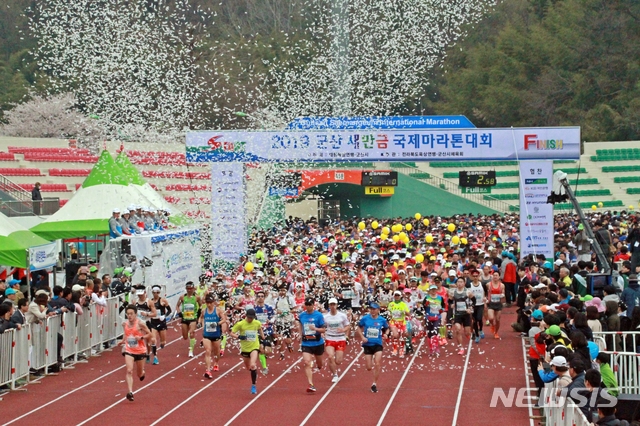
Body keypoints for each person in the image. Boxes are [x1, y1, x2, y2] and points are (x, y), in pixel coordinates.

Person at [121, 304, 152, 402]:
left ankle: (142, 373)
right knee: (129, 370)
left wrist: (141, 337)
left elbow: (149, 334)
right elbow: (126, 335)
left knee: (139, 374)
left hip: (140, 351)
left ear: (135, 314)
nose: (129, 316)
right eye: (128, 314)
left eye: (131, 314)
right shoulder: (124, 324)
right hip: (129, 350)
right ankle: (130, 392)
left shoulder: (140, 324)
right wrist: (122, 341)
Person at [230, 308, 265, 394]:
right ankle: (253, 372)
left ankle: (253, 385)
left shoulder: (257, 323)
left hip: (254, 347)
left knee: (253, 365)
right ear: (246, 316)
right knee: (248, 367)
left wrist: (263, 339)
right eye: (249, 318)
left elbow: (260, 329)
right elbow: (231, 333)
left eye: (252, 318)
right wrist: (239, 337)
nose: (250, 319)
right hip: (245, 349)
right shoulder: (240, 324)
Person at [357, 302, 390, 393]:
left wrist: (386, 334)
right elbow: (359, 328)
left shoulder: (381, 320)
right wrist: (362, 337)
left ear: (378, 310)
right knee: (369, 367)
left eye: (374, 309)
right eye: (371, 309)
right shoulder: (365, 319)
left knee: (377, 363)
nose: (372, 311)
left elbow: (387, 328)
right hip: (367, 345)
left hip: (377, 344)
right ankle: (370, 364)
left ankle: (374, 384)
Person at [297, 297, 326, 393]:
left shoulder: (318, 315)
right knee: (306, 362)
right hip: (306, 343)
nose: (308, 306)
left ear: (313, 305)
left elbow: (324, 329)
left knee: (319, 364)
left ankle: (319, 365)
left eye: (310, 304)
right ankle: (311, 384)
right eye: (307, 304)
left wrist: (315, 329)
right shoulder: (302, 315)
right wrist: (300, 334)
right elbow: (300, 324)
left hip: (318, 343)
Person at [198, 293, 228, 378]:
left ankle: (216, 363)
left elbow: (224, 319)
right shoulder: (204, 311)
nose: (209, 304)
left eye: (210, 302)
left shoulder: (218, 310)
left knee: (216, 352)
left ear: (213, 302)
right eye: (207, 303)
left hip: (216, 334)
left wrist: (217, 324)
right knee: (208, 351)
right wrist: (200, 322)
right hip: (206, 335)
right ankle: (208, 370)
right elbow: (200, 317)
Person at [323, 297, 350, 383]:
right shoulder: (325, 316)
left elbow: (348, 326)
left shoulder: (342, 315)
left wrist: (344, 331)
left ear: (337, 305)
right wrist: (322, 333)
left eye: (334, 304)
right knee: (330, 356)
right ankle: (335, 374)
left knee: (338, 361)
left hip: (340, 338)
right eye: (331, 304)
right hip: (330, 338)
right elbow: (322, 326)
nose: (333, 306)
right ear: (329, 306)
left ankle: (333, 364)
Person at [175, 281, 202, 358]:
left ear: (193, 288)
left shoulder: (197, 297)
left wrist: (199, 313)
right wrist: (179, 312)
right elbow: (177, 306)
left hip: (193, 318)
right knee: (185, 337)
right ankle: (191, 341)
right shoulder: (182, 297)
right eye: (188, 288)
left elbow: (201, 305)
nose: (189, 290)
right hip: (184, 318)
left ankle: (191, 351)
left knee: (192, 333)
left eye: (191, 288)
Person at [132, 284, 157, 364]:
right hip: (138, 325)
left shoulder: (149, 302)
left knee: (149, 341)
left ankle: (148, 353)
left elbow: (155, 314)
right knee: (137, 340)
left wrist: (146, 314)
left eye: (141, 294)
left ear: (145, 293)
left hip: (146, 323)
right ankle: (138, 354)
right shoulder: (135, 302)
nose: (140, 296)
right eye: (138, 294)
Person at [451, 277, 475, 355]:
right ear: (456, 283)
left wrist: (470, 308)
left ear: (464, 283)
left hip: (466, 314)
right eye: (458, 282)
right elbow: (449, 300)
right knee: (458, 330)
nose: (460, 283)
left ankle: (470, 332)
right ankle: (460, 347)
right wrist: (451, 304)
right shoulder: (453, 292)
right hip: (457, 314)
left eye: (461, 282)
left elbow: (474, 301)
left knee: (467, 333)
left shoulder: (468, 292)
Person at [253, 290, 275, 375]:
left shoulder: (268, 308)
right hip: (258, 332)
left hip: (268, 331)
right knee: (261, 349)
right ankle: (264, 367)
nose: (260, 298)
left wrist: (270, 320)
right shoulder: (254, 309)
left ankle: (265, 356)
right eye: (259, 296)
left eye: (262, 296)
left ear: (264, 297)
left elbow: (273, 317)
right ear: (257, 297)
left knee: (267, 351)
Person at [387, 290, 411, 358]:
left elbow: (409, 314)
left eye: (398, 295)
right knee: (395, 335)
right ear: (394, 296)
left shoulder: (403, 304)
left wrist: (405, 312)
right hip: (393, 322)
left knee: (402, 337)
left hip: (402, 322)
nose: (397, 297)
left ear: (400, 296)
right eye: (395, 295)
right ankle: (394, 349)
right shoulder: (391, 304)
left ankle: (401, 350)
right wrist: (389, 315)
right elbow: (389, 312)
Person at [424, 284, 445, 356]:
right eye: (432, 290)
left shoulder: (440, 298)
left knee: (435, 332)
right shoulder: (426, 298)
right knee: (429, 334)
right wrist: (426, 304)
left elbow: (443, 307)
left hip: (437, 318)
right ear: (430, 290)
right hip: (429, 318)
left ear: (436, 290)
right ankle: (431, 349)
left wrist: (440, 310)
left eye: (434, 289)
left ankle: (436, 347)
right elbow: (423, 307)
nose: (433, 291)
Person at [468, 269, 486, 343]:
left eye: (476, 276)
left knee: (479, 318)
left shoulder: (482, 284)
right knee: (474, 321)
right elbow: (468, 295)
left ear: (479, 276)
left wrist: (485, 298)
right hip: (473, 305)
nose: (475, 277)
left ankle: (481, 329)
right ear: (472, 277)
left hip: (480, 304)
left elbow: (486, 292)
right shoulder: (470, 285)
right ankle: (477, 335)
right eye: (474, 276)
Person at [486, 271, 505, 339]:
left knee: (497, 319)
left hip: (498, 304)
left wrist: (502, 295)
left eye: (496, 275)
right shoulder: (488, 284)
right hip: (491, 303)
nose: (495, 277)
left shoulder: (502, 285)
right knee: (491, 318)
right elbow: (485, 292)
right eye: (494, 275)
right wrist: (486, 299)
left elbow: (503, 293)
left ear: (499, 277)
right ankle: (492, 325)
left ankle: (496, 332)